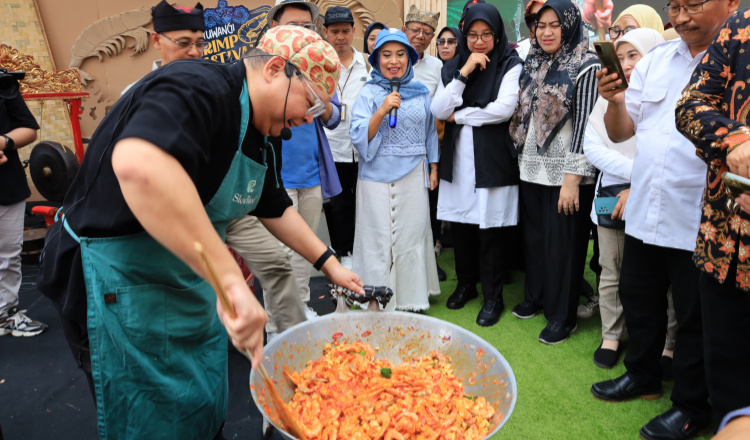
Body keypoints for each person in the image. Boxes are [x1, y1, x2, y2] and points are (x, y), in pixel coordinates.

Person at [37, 25, 362, 439]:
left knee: (201, 401)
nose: (304, 120)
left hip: (183, 276)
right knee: (149, 414)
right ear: (277, 69)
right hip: (116, 278)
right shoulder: (198, 86)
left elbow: (270, 201)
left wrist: (329, 264)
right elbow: (139, 167)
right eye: (311, 104)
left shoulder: (264, 130)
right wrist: (230, 281)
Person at [591, 0, 739, 436]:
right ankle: (642, 375)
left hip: (700, 215)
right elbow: (622, 132)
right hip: (644, 210)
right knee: (641, 301)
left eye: (693, 5)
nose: (681, 16)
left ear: (731, 3)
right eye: (675, 5)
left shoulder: (737, 63)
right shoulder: (656, 60)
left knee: (695, 319)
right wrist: (616, 101)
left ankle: (692, 405)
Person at [508, 0, 600, 344]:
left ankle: (562, 316)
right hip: (531, 167)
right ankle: (536, 297)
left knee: (565, 244)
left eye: (554, 25)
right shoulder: (533, 61)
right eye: (540, 25)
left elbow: (586, 126)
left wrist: (573, 179)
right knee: (534, 240)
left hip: (567, 173)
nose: (545, 32)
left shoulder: (586, 64)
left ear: (570, 25)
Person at [676, 5, 750, 426]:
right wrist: (735, 139)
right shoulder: (741, 27)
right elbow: (690, 105)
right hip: (725, 242)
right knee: (727, 373)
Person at [431, 4, 522, 326]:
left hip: (492, 160)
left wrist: (462, 115)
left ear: (497, 35)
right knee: (463, 227)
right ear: (464, 35)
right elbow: (439, 109)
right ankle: (466, 285)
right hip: (459, 160)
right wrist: (464, 71)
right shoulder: (454, 66)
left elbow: (503, 109)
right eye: (472, 35)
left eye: (486, 35)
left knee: (491, 231)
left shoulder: (510, 63)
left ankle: (492, 297)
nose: (480, 42)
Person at [583, 28, 665, 368]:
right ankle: (611, 335)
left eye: (635, 54)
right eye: (622, 55)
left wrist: (642, 183)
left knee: (664, 278)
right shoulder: (608, 96)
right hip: (611, 196)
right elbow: (593, 146)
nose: (628, 63)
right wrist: (640, 173)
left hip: (659, 196)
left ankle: (668, 346)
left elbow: (670, 151)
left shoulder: (664, 96)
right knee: (610, 270)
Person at [350, 28, 440, 311]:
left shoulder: (421, 92)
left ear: (409, 58)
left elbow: (430, 134)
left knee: (412, 234)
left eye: (400, 54)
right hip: (374, 175)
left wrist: (434, 168)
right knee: (375, 235)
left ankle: (412, 296)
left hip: (414, 172)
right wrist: (382, 109)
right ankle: (372, 296)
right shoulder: (368, 92)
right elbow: (357, 135)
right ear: (377, 59)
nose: (394, 60)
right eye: (386, 54)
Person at [268, 0, 343, 320]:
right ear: (275, 28)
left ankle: (298, 311)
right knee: (277, 254)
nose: (301, 32)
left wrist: (316, 97)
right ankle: (275, 318)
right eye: (292, 25)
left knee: (303, 250)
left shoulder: (320, 64)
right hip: (275, 180)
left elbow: (334, 117)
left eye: (307, 26)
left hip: (311, 175)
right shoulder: (263, 67)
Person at [0, 71, 46, 337]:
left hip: (6, 184)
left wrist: (4, 142)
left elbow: (28, 129)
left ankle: (6, 315)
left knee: (7, 255)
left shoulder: (4, 83)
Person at [322, 6, 368, 269]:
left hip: (363, 147)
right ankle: (345, 252)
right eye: (335, 31)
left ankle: (364, 251)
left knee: (364, 201)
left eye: (345, 31)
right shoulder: (318, 64)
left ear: (354, 31)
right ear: (325, 32)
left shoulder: (369, 63)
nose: (340, 36)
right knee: (338, 203)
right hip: (332, 146)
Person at [121, 0, 206, 95]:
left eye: (200, 43)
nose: (195, 52)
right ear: (156, 40)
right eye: (184, 43)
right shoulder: (135, 94)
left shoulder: (215, 83)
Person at [402, 5, 442, 99]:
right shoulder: (387, 61)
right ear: (404, 30)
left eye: (427, 33)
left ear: (432, 37)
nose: (420, 36)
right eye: (415, 30)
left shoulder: (437, 65)